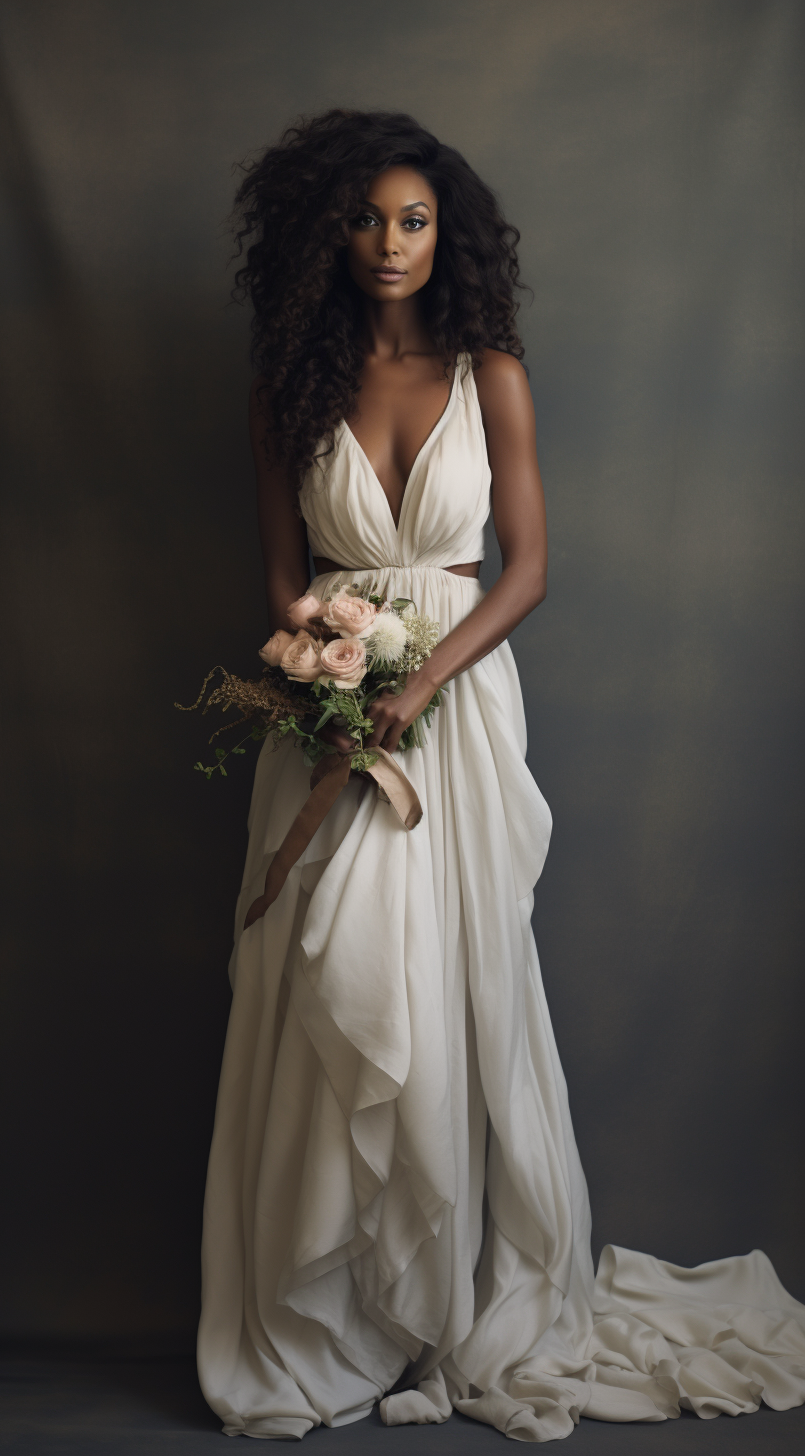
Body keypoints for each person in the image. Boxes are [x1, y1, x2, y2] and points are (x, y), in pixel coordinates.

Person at [196, 109, 805, 1442]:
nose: (391, 243)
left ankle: (455, 1307)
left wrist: (415, 684)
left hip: (455, 718)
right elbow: (289, 582)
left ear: (447, 233)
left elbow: (525, 565)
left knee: (451, 985)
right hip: (330, 715)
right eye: (365, 219)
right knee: (333, 976)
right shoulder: (287, 384)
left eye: (414, 219)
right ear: (326, 235)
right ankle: (331, 1317)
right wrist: (329, 686)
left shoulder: (492, 371)